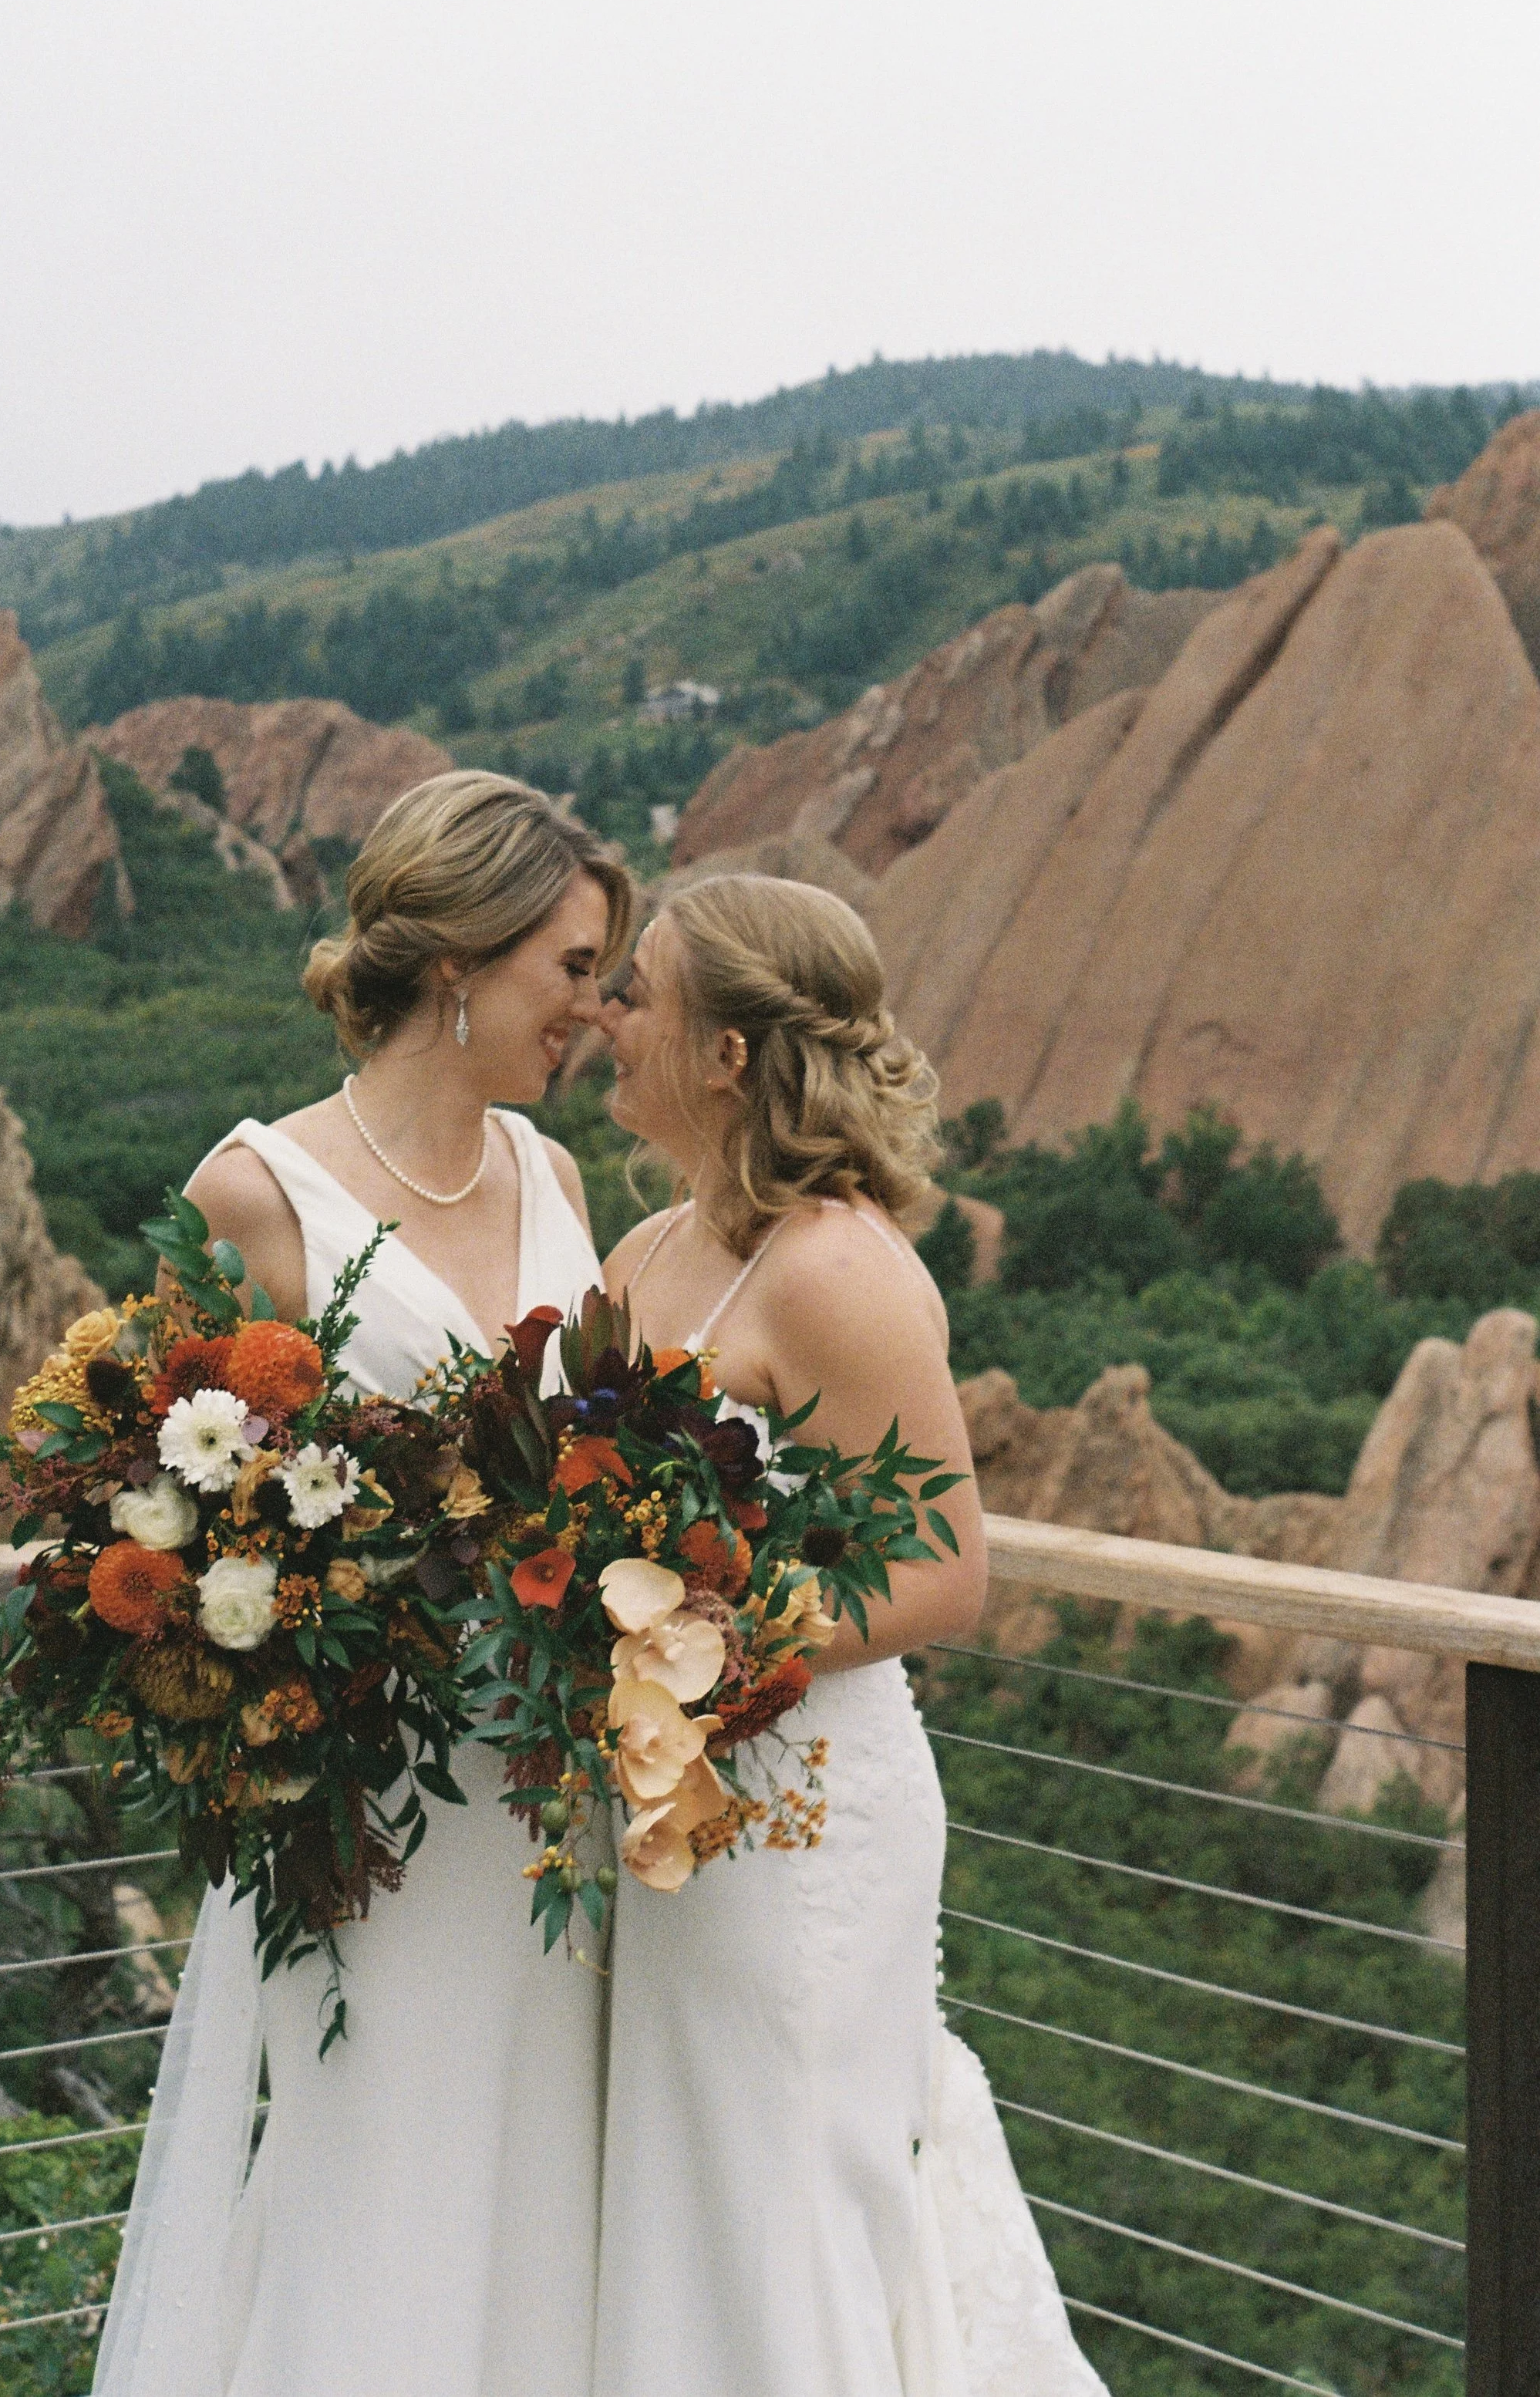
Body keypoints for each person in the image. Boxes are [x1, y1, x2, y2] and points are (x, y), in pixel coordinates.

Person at [92, 770, 631, 2397]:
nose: (595, 1012)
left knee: (548, 2187)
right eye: (574, 966)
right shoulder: (255, 1192)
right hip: (372, 1814)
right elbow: (147, 1495)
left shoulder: (552, 1178)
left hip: (555, 1794)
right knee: (380, 2183)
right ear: (459, 957)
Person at [594, 872, 1107, 2397]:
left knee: (789, 2191)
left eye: (640, 990)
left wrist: (705, 1647)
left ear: (728, 1050)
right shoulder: (639, 1252)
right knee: (695, 2183)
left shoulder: (834, 1266)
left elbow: (945, 1575)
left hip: (804, 1818)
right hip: (665, 1797)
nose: (608, 1018)